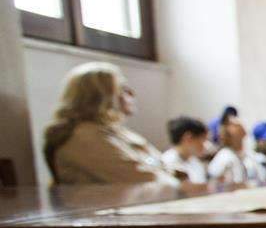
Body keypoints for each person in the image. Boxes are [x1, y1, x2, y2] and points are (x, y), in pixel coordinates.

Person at [42, 63, 178, 186]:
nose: (132, 93)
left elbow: (164, 167)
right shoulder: (84, 138)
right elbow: (143, 179)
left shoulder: (120, 133)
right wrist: (176, 180)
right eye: (123, 89)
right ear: (101, 96)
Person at [208, 107, 266, 184]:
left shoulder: (250, 156)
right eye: (231, 124)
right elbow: (214, 184)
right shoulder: (224, 157)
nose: (237, 122)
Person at [162, 116, 210, 184]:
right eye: (203, 140)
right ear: (188, 138)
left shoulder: (196, 163)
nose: (206, 146)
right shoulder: (167, 163)